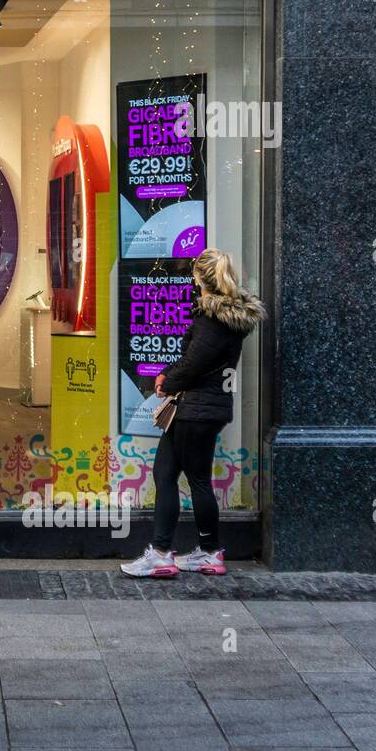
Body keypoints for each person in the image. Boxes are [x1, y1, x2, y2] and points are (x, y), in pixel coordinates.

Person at [121, 248, 265, 579]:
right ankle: (205, 551)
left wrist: (166, 381)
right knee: (171, 474)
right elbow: (197, 362)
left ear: (199, 277)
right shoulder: (228, 319)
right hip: (204, 410)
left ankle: (166, 553)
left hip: (195, 411)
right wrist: (171, 377)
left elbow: (193, 363)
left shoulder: (213, 321)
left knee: (183, 477)